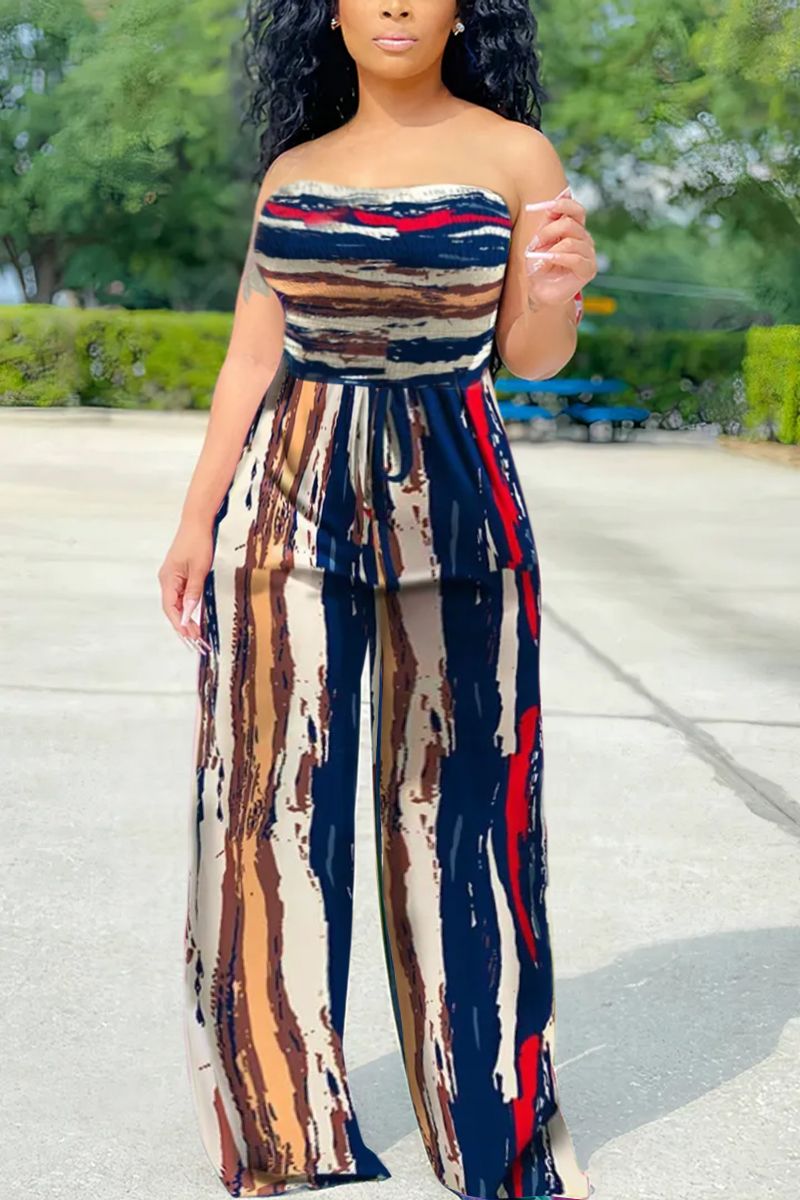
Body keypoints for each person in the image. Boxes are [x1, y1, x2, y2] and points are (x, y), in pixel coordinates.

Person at [157, 2, 598, 1197]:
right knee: (264, 802)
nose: (395, 3)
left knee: (464, 808)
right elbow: (252, 356)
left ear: (463, 10)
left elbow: (531, 353)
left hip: (455, 505)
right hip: (282, 503)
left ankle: (484, 1123)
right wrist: (196, 519)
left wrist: (558, 289)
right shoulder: (293, 169)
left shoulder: (514, 154)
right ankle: (282, 1123)